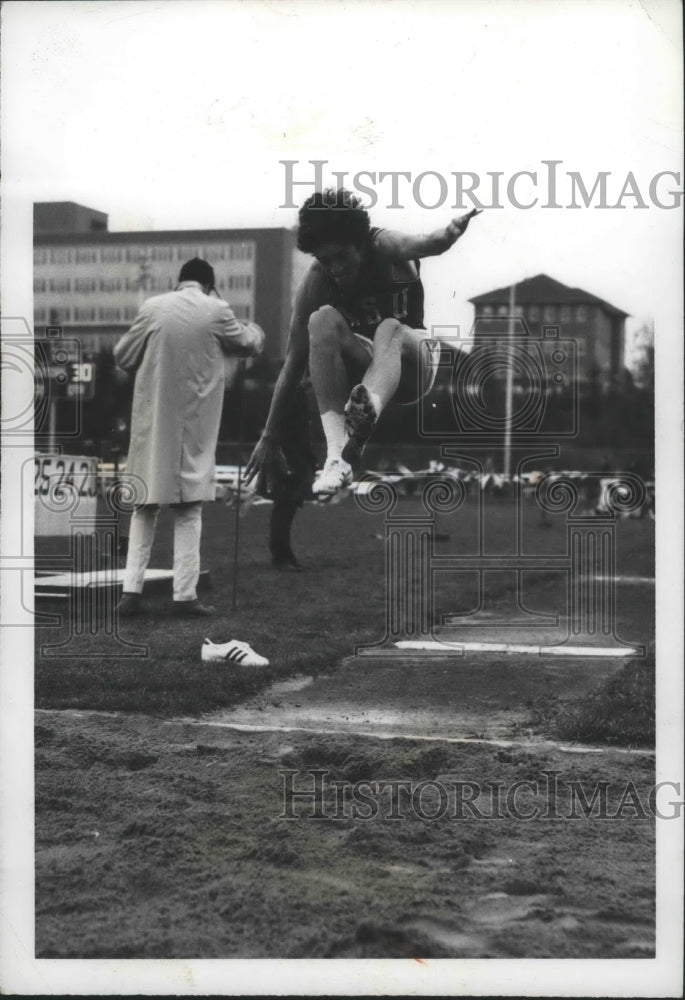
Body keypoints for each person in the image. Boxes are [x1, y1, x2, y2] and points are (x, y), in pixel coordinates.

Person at [244, 188, 480, 498]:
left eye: (342, 256)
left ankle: (366, 408)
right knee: (321, 320)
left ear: (360, 242)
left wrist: (449, 233)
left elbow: (425, 243)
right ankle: (337, 458)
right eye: (326, 260)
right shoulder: (318, 279)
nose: (336, 268)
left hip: (414, 362)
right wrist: (269, 436)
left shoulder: (382, 245)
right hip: (369, 361)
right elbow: (293, 362)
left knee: (388, 327)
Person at [114, 257, 264, 617]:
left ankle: (130, 593)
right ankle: (185, 596)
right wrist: (256, 329)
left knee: (143, 508)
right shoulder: (216, 309)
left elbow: (122, 355)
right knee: (189, 511)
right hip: (195, 425)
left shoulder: (153, 307)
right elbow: (247, 344)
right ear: (209, 284)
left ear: (179, 281)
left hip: (153, 423)